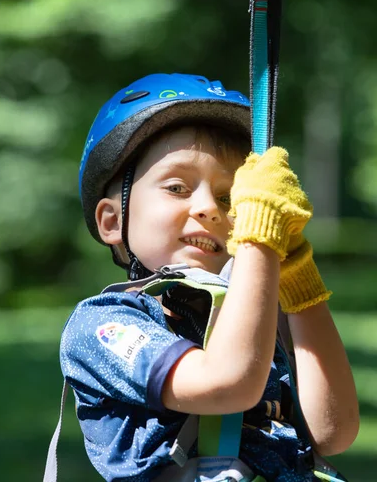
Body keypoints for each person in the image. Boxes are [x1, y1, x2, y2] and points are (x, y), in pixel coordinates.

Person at [60, 73, 359, 482]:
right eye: (178, 187)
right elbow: (226, 384)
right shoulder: (103, 324)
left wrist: (299, 282)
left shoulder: (257, 321)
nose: (210, 209)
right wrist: (257, 239)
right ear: (113, 220)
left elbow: (332, 432)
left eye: (231, 198)